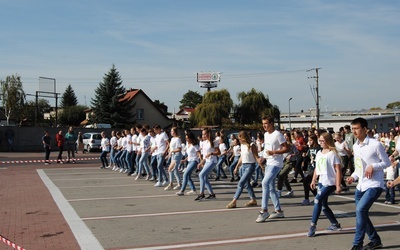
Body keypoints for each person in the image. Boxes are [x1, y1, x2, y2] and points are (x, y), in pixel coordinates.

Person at [346, 118, 390, 250]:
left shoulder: (375, 144)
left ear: (365, 129)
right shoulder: (355, 146)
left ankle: (357, 244)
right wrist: (352, 177)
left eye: (356, 128)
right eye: (352, 128)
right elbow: (359, 168)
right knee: (362, 214)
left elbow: (386, 163)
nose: (354, 131)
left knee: (360, 210)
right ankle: (375, 240)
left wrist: (374, 166)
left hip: (375, 184)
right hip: (361, 185)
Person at [307, 132, 342, 237]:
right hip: (321, 182)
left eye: (323, 141)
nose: (321, 143)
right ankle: (335, 224)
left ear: (328, 141)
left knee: (317, 200)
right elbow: (317, 168)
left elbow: (338, 170)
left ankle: (313, 225)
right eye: (320, 141)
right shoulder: (319, 153)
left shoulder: (333, 154)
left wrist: (338, 185)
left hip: (330, 183)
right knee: (323, 206)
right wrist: (313, 180)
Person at [256, 116, 289, 223]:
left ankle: (264, 210)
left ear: (272, 123)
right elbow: (267, 149)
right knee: (270, 187)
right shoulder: (266, 135)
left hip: (276, 164)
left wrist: (274, 152)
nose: (264, 125)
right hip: (269, 162)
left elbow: (286, 148)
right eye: (263, 123)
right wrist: (263, 158)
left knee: (265, 183)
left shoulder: (278, 134)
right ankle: (278, 210)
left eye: (266, 123)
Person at [226, 130, 259, 208]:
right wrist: (237, 167)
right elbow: (241, 157)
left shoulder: (252, 145)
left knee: (241, 183)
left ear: (244, 138)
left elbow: (256, 157)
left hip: (250, 166)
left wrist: (262, 166)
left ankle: (234, 201)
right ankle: (253, 199)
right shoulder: (242, 146)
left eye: (240, 139)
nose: (239, 140)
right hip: (243, 166)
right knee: (247, 184)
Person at [194, 128, 220, 201]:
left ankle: (201, 194)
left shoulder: (214, 142)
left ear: (209, 134)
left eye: (205, 134)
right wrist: (201, 162)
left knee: (201, 175)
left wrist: (211, 153)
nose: (203, 135)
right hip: (207, 161)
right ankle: (212, 194)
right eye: (202, 134)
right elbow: (205, 155)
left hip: (212, 161)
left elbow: (218, 152)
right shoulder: (204, 142)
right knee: (204, 177)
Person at [176, 131, 200, 196]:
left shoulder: (195, 145)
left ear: (191, 138)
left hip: (194, 161)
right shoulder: (187, 144)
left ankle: (182, 190)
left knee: (185, 174)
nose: (186, 139)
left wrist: (201, 162)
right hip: (189, 161)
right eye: (186, 138)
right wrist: (184, 160)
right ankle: (193, 189)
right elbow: (190, 155)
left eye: (188, 138)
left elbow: (198, 153)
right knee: (188, 176)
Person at [301, 134, 321, 205]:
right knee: (308, 183)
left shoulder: (318, 148)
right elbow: (308, 158)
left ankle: (307, 198)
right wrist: (305, 157)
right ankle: (317, 196)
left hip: (316, 168)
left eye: (311, 140)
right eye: (308, 140)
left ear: (314, 140)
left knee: (306, 181)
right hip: (311, 168)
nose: (309, 142)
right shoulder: (310, 149)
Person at [277, 131, 296, 198]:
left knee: (281, 175)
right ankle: (290, 191)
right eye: (284, 136)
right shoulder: (282, 145)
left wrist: (291, 155)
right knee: (284, 178)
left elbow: (297, 152)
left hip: (289, 162)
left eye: (286, 136)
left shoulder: (291, 145)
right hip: (282, 162)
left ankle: (279, 191)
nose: (285, 137)